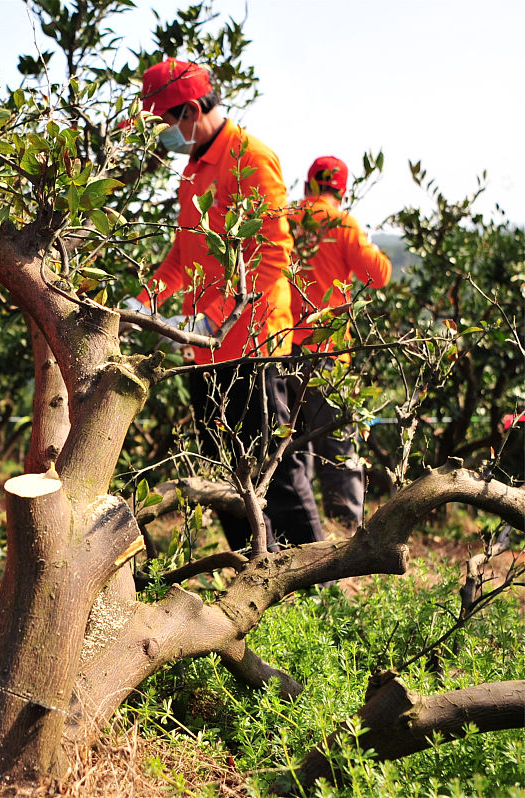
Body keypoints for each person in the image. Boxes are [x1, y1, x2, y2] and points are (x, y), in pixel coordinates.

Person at [136, 58, 323, 551]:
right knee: (224, 466)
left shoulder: (250, 157)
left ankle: (316, 585)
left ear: (192, 110)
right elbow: (182, 253)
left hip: (252, 342)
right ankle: (253, 567)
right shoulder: (193, 170)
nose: (161, 137)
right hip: (209, 348)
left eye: (162, 124)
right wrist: (142, 302)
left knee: (269, 468)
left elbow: (272, 254)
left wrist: (213, 317)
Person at [288, 155, 392, 532]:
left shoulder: (285, 215)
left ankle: (297, 531)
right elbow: (378, 275)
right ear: (341, 191)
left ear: (306, 185)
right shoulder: (342, 223)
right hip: (327, 352)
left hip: (279, 347)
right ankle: (347, 534)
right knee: (339, 445)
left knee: (290, 447)